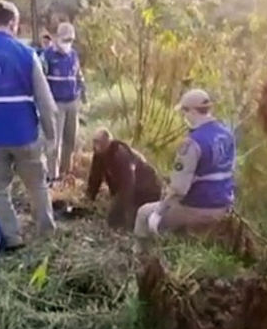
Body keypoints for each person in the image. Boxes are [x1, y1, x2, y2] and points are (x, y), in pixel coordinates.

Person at [0, 0, 58, 251]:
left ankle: (12, 237)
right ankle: (46, 233)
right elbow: (45, 102)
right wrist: (50, 135)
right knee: (37, 185)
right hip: (26, 134)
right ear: (13, 23)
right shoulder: (27, 54)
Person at [133, 89, 236, 254]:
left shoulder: (191, 143)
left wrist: (159, 212)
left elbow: (179, 189)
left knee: (144, 213)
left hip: (198, 207)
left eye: (184, 111)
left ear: (193, 111)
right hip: (225, 205)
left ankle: (142, 258)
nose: (184, 116)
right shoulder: (227, 133)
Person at [86, 127, 162, 231]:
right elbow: (95, 176)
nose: (96, 146)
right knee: (113, 220)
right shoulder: (100, 154)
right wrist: (90, 197)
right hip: (128, 187)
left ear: (108, 142)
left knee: (118, 220)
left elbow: (128, 184)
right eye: (94, 142)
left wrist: (127, 211)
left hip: (146, 189)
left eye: (99, 142)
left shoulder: (120, 155)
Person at [40, 22, 87, 183]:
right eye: (65, 39)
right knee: (54, 141)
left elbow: (78, 75)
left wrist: (83, 92)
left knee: (70, 140)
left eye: (71, 40)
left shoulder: (73, 55)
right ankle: (53, 175)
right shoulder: (47, 56)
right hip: (56, 104)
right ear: (57, 38)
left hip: (72, 102)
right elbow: (41, 81)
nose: (68, 43)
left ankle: (65, 172)